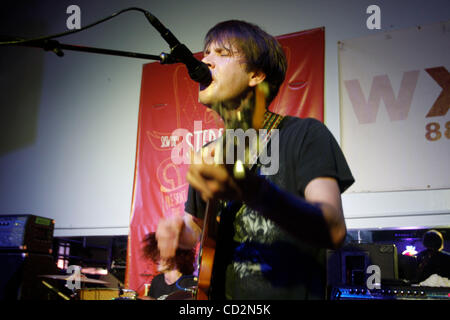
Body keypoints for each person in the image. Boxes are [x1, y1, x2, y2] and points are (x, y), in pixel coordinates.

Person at [156, 20, 354, 299]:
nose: (205, 60)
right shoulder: (211, 153)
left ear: (256, 75)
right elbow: (198, 228)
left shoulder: (306, 135)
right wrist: (180, 232)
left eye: (221, 53)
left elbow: (333, 229)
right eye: (206, 53)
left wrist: (250, 189)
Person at [142, 232, 197, 300]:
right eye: (157, 255)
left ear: (176, 257)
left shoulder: (190, 284)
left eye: (163, 255)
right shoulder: (157, 281)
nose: (157, 259)